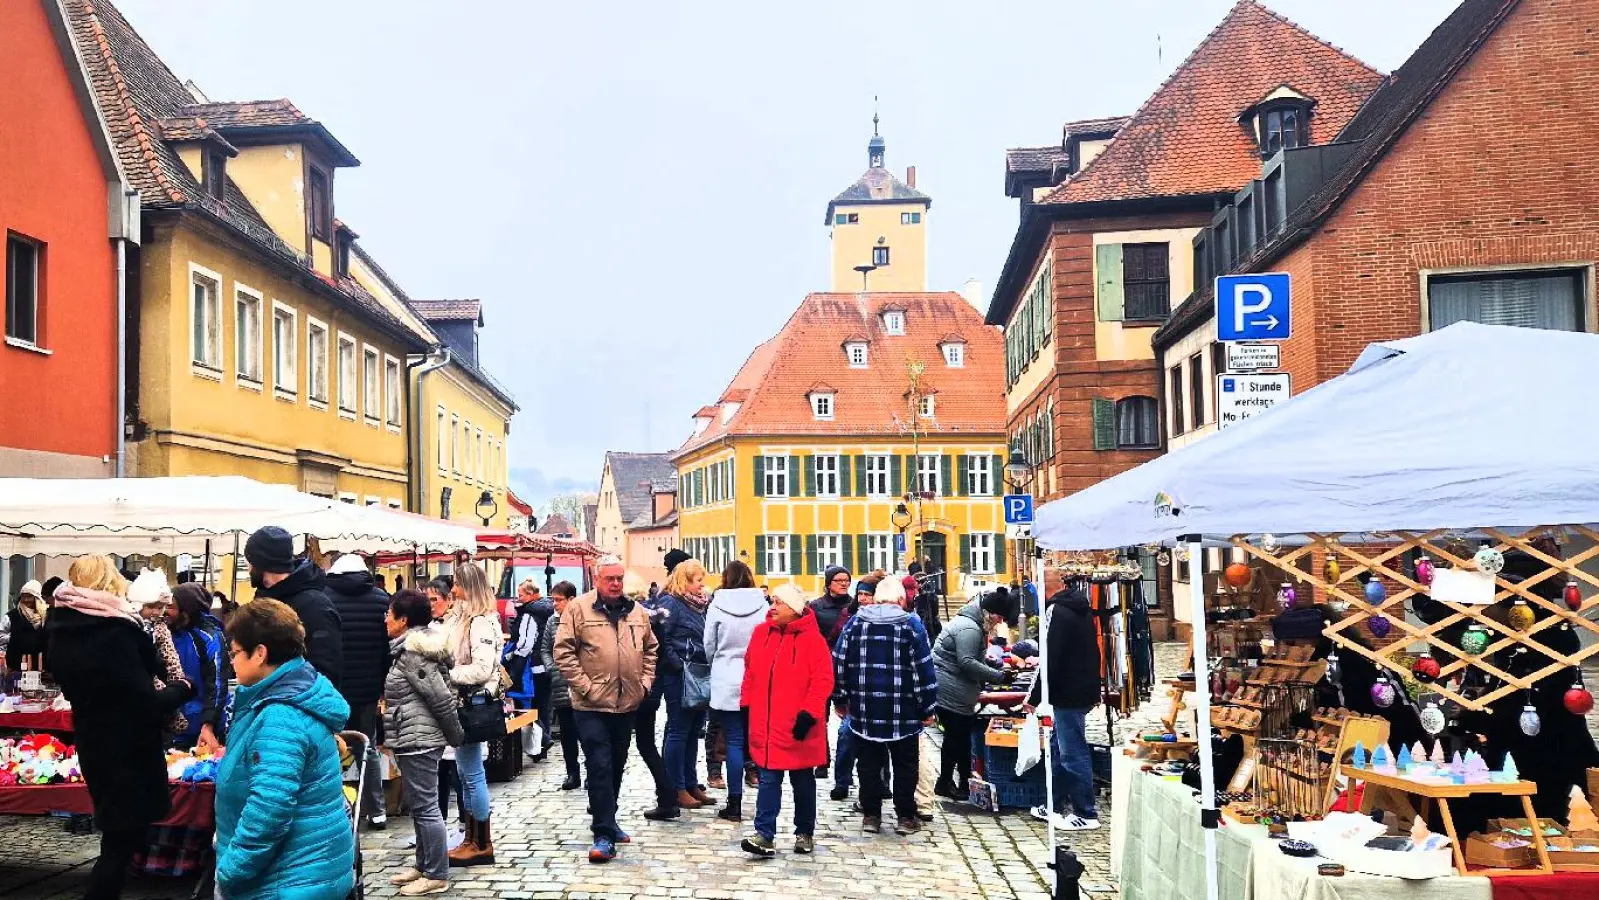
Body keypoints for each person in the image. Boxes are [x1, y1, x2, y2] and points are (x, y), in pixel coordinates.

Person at [47, 557, 193, 900]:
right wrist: (182, 689)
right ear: (109, 583)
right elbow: (143, 703)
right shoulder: (114, 632)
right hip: (126, 751)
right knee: (119, 845)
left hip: (95, 741)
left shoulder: (62, 627)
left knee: (118, 838)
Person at [215, 598, 355, 900]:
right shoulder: (291, 694)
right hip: (304, 872)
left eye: (236, 652)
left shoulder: (280, 715)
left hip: (286, 882)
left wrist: (230, 870)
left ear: (260, 653)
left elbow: (269, 809)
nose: (231, 660)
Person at [553, 555, 659, 864]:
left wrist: (645, 683)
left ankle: (608, 818)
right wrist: (585, 686)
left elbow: (651, 648)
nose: (615, 584)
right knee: (599, 763)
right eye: (609, 579)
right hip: (590, 704)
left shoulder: (636, 611)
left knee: (616, 762)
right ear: (597, 579)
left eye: (619, 578)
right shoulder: (579, 609)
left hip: (626, 702)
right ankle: (603, 832)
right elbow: (563, 652)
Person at [833, 575, 938, 836]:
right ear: (901, 599)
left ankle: (871, 815)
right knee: (905, 766)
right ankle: (904, 817)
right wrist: (927, 708)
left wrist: (840, 698)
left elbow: (839, 662)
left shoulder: (857, 623)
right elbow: (923, 670)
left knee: (868, 764)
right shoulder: (911, 624)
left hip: (864, 708)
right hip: (903, 710)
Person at [738, 584, 834, 857]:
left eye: (779, 602)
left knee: (802, 780)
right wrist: (746, 704)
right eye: (773, 601)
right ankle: (764, 835)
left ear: (794, 609)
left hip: (798, 725)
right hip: (767, 723)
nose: (773, 606)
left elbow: (823, 680)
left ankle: (805, 832)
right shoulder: (760, 634)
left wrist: (809, 713)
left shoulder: (813, 641)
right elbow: (750, 671)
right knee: (768, 779)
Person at [383, 589, 465, 897]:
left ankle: (436, 873)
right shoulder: (407, 649)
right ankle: (423, 864)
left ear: (403, 620)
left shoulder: (414, 653)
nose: (385, 620)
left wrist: (455, 735)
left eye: (389, 614)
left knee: (427, 806)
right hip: (411, 735)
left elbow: (441, 698)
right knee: (420, 805)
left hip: (420, 738)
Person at [1025, 568, 1101, 831]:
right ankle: (1053, 804)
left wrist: (1033, 696)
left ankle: (1086, 813)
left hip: (1069, 691)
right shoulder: (1081, 608)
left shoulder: (1057, 611)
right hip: (1081, 687)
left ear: (1046, 587)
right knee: (1059, 748)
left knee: (1072, 753)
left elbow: (1049, 656)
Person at [443, 562, 505, 867]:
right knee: (467, 774)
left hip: (471, 705)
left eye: (458, 584)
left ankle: (481, 842)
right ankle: (472, 838)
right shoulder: (466, 619)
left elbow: (482, 668)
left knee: (471, 774)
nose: (453, 590)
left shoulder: (480, 623)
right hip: (463, 704)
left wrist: (448, 674)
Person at [325, 552, 392, 829]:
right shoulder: (380, 599)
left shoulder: (325, 597)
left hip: (334, 687)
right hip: (367, 688)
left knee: (329, 748)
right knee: (367, 747)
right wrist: (381, 685)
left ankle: (335, 808)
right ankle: (377, 810)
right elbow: (386, 648)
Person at [932, 590, 1018, 799]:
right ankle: (945, 782)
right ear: (991, 613)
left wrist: (988, 664)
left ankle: (963, 782)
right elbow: (967, 661)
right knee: (956, 738)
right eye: (1000, 617)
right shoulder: (969, 628)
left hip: (954, 687)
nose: (1000, 622)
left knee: (961, 738)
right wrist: (999, 676)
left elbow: (968, 657)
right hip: (951, 689)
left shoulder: (970, 623)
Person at [244, 525, 343, 689]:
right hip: (267, 702)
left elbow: (326, 672)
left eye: (250, 561)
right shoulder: (263, 599)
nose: (248, 567)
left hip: (297, 707)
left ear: (262, 563)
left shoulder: (315, 606)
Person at [704, 559, 765, 822]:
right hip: (756, 677)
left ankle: (735, 801)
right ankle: (764, 798)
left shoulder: (717, 605)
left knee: (734, 742)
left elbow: (709, 644)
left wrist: (717, 663)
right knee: (757, 741)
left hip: (727, 676)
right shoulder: (763, 606)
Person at [656, 558, 714, 813]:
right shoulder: (671, 602)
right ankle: (676, 786)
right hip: (679, 675)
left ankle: (691, 783)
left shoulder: (698, 606)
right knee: (679, 729)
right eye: (698, 580)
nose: (702, 586)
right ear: (685, 581)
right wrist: (678, 665)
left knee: (693, 730)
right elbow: (661, 638)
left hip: (698, 672)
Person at [828, 574, 879, 801]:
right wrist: (839, 695)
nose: (863, 599)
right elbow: (838, 656)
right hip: (855, 692)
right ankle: (842, 781)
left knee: (880, 743)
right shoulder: (849, 618)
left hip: (879, 692)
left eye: (868, 594)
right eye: (860, 594)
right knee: (846, 736)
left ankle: (882, 783)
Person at [129, 569, 192, 739]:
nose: (157, 612)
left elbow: (172, 661)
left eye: (161, 607)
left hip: (156, 695)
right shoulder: (126, 628)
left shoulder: (161, 628)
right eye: (151, 607)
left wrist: (179, 687)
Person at [167, 583, 229, 752]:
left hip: (201, 730)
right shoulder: (164, 633)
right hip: (170, 729)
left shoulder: (209, 637)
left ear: (185, 611)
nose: (165, 611)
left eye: (171, 607)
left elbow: (217, 685)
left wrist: (208, 725)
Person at [538, 581, 583, 790]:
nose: (554, 604)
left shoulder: (585, 620)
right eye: (553, 599)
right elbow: (545, 649)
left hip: (582, 685)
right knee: (567, 733)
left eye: (558, 600)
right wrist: (551, 668)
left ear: (571, 599)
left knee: (587, 733)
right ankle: (572, 773)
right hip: (560, 683)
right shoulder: (551, 622)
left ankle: (592, 773)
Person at [506, 580, 554, 759]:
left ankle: (542, 741)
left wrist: (510, 655)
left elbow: (525, 643)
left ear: (533, 594)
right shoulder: (548, 610)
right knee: (544, 706)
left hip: (533, 666)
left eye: (522, 594)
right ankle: (542, 746)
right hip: (547, 664)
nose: (519, 598)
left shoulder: (530, 613)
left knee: (529, 706)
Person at [4, 579, 47, 673]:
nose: (26, 600)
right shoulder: (12, 616)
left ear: (37, 598)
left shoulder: (45, 616)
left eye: (30, 596)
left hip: (41, 668)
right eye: (23, 596)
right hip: (16, 667)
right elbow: (1, 636)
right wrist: (15, 638)